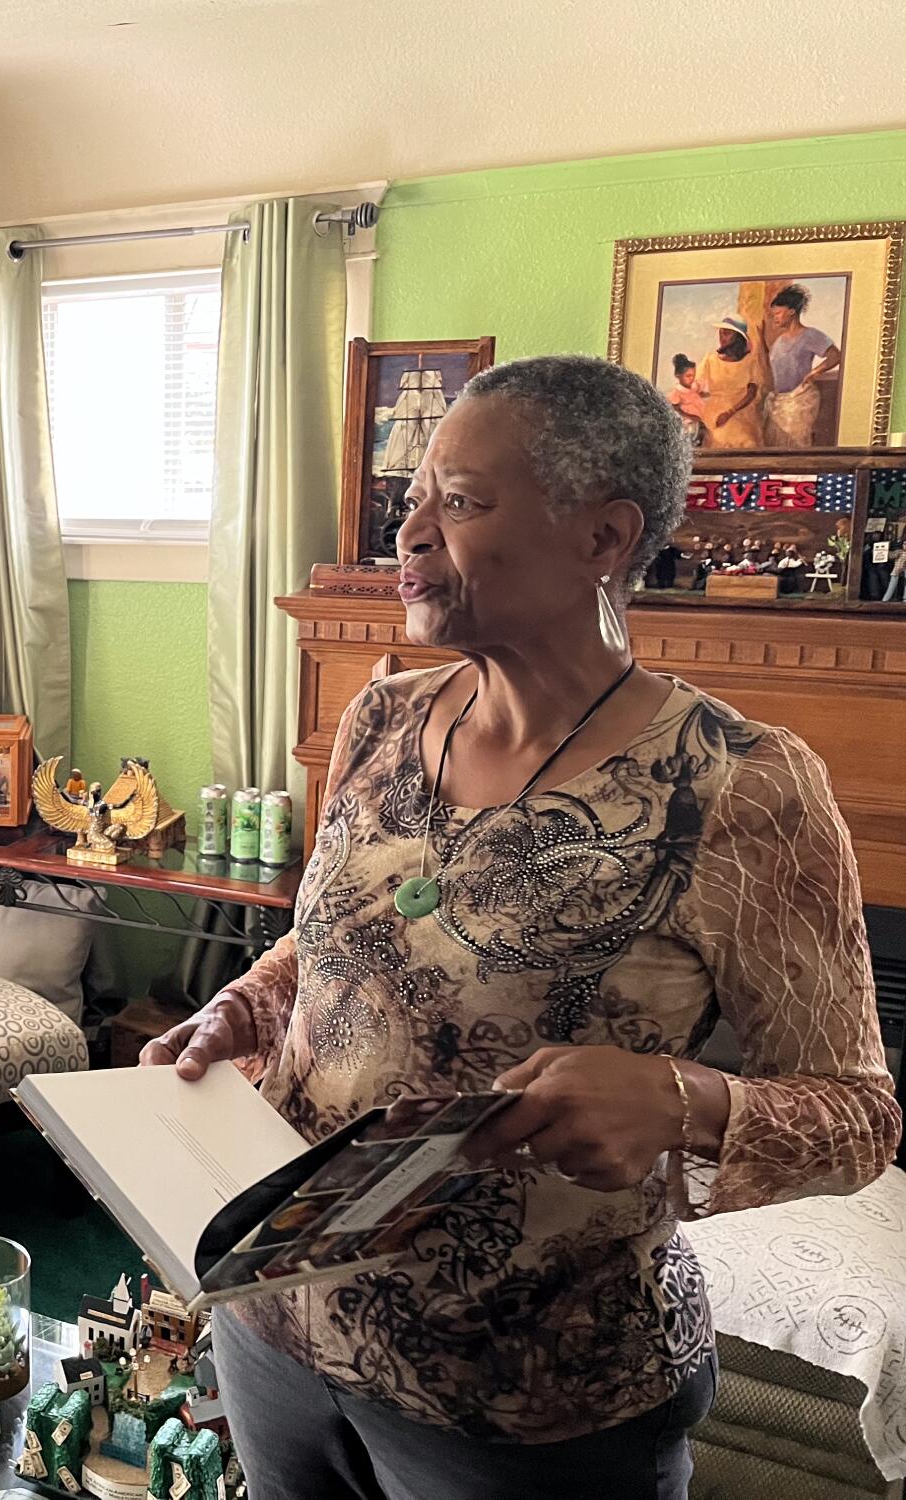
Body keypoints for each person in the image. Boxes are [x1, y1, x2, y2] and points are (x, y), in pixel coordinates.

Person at [144, 355, 899, 1500]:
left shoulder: (741, 786)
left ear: (602, 538)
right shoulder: (382, 716)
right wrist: (240, 1004)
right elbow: (339, 940)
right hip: (275, 1327)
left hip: (530, 1405)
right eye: (414, 497)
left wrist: (676, 1101)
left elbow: (857, 1116)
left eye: (459, 502)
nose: (409, 532)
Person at [762, 283, 843, 447]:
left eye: (778, 313)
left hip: (799, 401)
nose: (775, 317)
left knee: (795, 445)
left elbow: (835, 355)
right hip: (778, 404)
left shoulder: (810, 335)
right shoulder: (779, 341)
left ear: (792, 311)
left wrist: (815, 372)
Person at [698, 314, 764, 448]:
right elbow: (696, 386)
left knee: (746, 443)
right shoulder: (710, 360)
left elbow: (751, 394)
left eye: (727, 334)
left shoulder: (750, 362)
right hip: (714, 413)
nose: (722, 338)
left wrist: (730, 412)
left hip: (740, 412)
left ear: (738, 338)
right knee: (716, 440)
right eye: (721, 333)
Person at [666, 352, 707, 445]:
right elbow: (675, 410)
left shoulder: (694, 387)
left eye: (693, 375)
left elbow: (701, 391)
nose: (692, 378)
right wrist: (690, 417)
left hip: (699, 422)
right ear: (678, 376)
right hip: (688, 424)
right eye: (688, 376)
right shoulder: (676, 393)